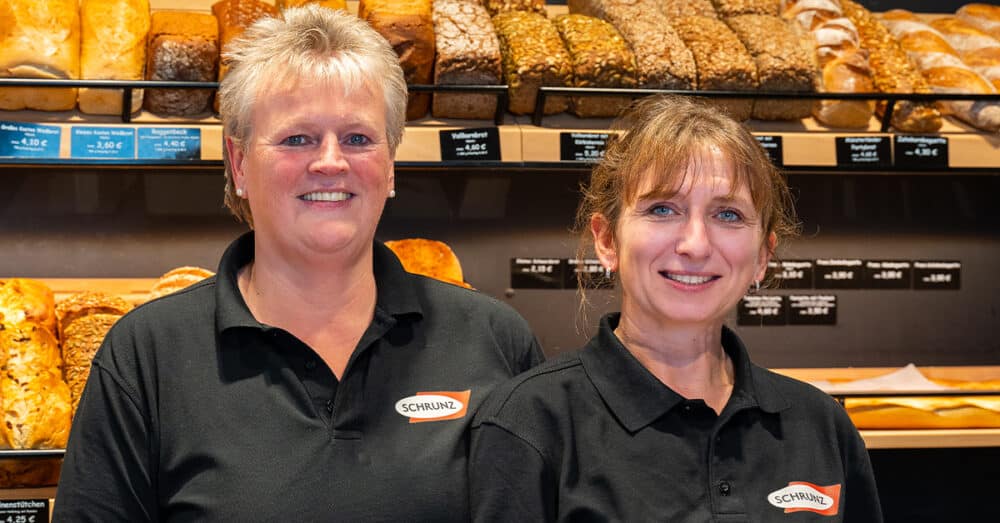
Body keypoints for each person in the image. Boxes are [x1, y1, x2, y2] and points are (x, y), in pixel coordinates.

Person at [54, 6, 542, 521]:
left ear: (391, 165)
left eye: (358, 138)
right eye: (297, 138)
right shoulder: (146, 356)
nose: (330, 161)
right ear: (239, 164)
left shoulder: (494, 340)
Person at [469, 95, 882, 522]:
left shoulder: (822, 426)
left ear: (763, 255)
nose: (696, 245)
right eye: (662, 209)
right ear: (607, 240)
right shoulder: (529, 424)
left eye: (728, 214)